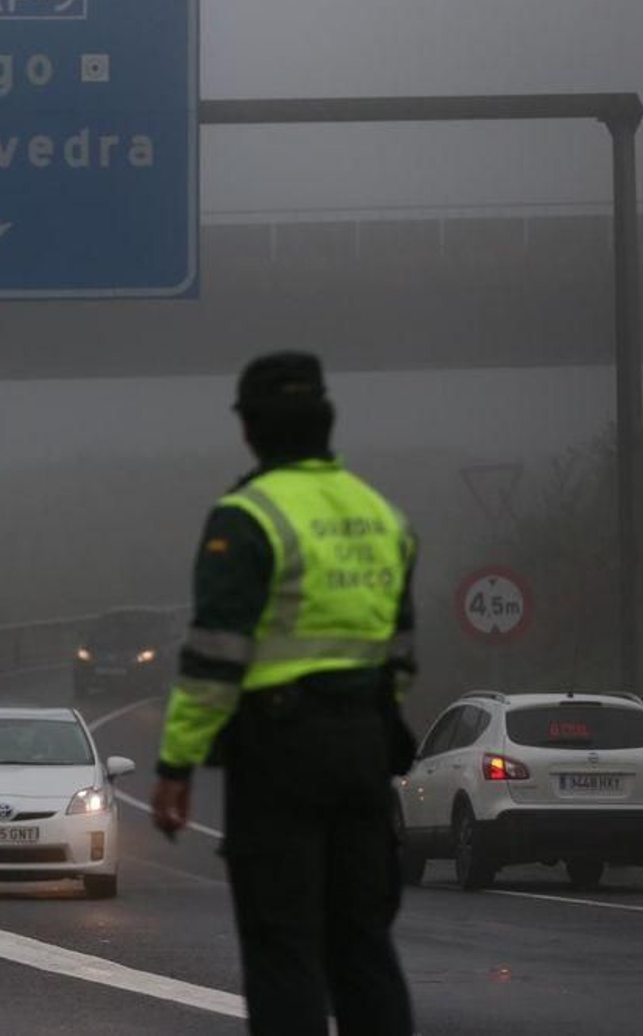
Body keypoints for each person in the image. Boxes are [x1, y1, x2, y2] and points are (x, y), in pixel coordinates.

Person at [151, 352, 418, 1036]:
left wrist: (177, 766)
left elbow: (215, 660)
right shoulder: (384, 517)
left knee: (283, 947)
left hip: (279, 758)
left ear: (250, 429)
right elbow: (401, 656)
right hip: (366, 750)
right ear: (326, 421)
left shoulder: (247, 518)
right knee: (364, 945)